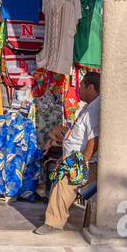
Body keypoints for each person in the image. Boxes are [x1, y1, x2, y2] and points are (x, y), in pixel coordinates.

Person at [35, 71, 100, 235]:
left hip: (89, 162)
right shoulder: (90, 106)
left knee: (65, 178)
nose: (79, 89)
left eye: (82, 85)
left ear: (91, 87)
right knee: (59, 169)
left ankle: (54, 223)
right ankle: (58, 211)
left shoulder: (95, 109)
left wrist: (80, 163)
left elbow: (94, 141)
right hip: (78, 158)